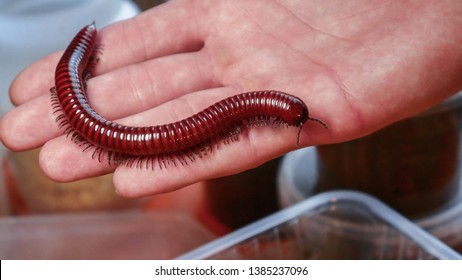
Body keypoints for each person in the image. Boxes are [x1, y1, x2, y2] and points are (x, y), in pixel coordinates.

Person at [1, 0, 461, 197]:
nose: (293, 115)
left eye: (292, 114)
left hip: (89, 99)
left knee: (174, 136)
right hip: (81, 90)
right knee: (112, 131)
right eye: (291, 112)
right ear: (274, 107)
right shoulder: (265, 109)